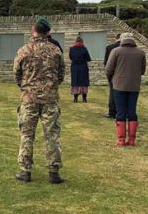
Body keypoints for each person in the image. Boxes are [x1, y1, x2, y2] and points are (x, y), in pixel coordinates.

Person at [13, 18, 65, 184]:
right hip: (50, 99)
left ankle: (25, 171)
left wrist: (26, 87)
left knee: (27, 134)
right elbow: (61, 75)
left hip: (29, 99)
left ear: (32, 30)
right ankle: (54, 172)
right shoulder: (56, 51)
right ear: (48, 32)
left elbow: (17, 74)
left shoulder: (24, 50)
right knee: (52, 135)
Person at [105, 32, 146, 146]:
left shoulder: (116, 51)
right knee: (132, 112)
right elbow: (143, 70)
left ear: (122, 40)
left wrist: (111, 79)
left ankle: (121, 140)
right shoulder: (140, 52)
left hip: (118, 85)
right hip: (134, 86)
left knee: (120, 112)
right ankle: (132, 140)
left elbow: (108, 69)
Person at [103, 33, 121, 118]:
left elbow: (106, 62)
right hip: (123, 74)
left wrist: (108, 74)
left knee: (112, 92)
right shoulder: (128, 48)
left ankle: (112, 111)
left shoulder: (109, 47)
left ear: (115, 38)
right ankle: (121, 111)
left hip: (112, 73)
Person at [68, 36, 91, 102]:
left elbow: (71, 57)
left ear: (75, 41)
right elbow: (88, 58)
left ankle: (75, 98)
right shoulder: (84, 49)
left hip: (75, 67)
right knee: (83, 82)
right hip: (83, 67)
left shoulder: (71, 49)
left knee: (75, 82)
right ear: (82, 42)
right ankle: (84, 98)